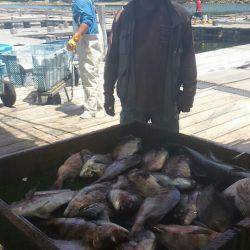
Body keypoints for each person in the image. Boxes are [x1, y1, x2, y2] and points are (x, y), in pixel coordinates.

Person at [104, 0, 197, 132]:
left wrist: (189, 93)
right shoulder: (123, 17)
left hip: (166, 103)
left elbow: (188, 58)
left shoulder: (179, 17)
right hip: (131, 103)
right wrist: (108, 93)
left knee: (169, 149)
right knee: (128, 148)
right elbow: (112, 59)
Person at [67, 0, 105, 119]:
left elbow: (87, 21)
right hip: (93, 40)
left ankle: (91, 109)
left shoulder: (79, 2)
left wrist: (75, 38)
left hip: (88, 42)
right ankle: (99, 107)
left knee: (88, 75)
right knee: (95, 76)